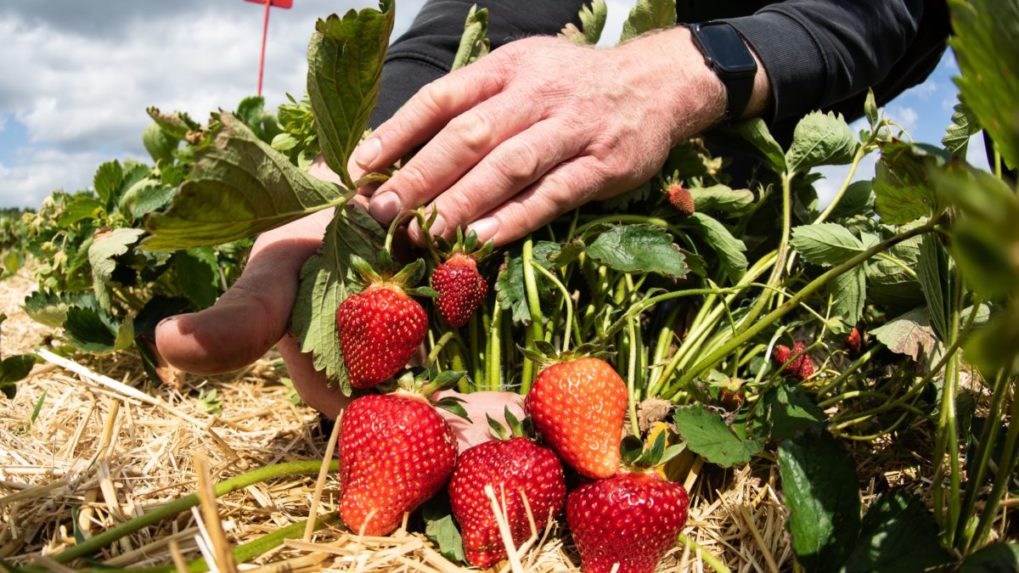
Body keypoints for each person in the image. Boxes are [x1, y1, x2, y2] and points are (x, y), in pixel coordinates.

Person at [155, 0, 950, 450]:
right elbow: (481, 17)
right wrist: (364, 172)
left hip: (750, 127)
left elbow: (893, 11)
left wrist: (682, 72)